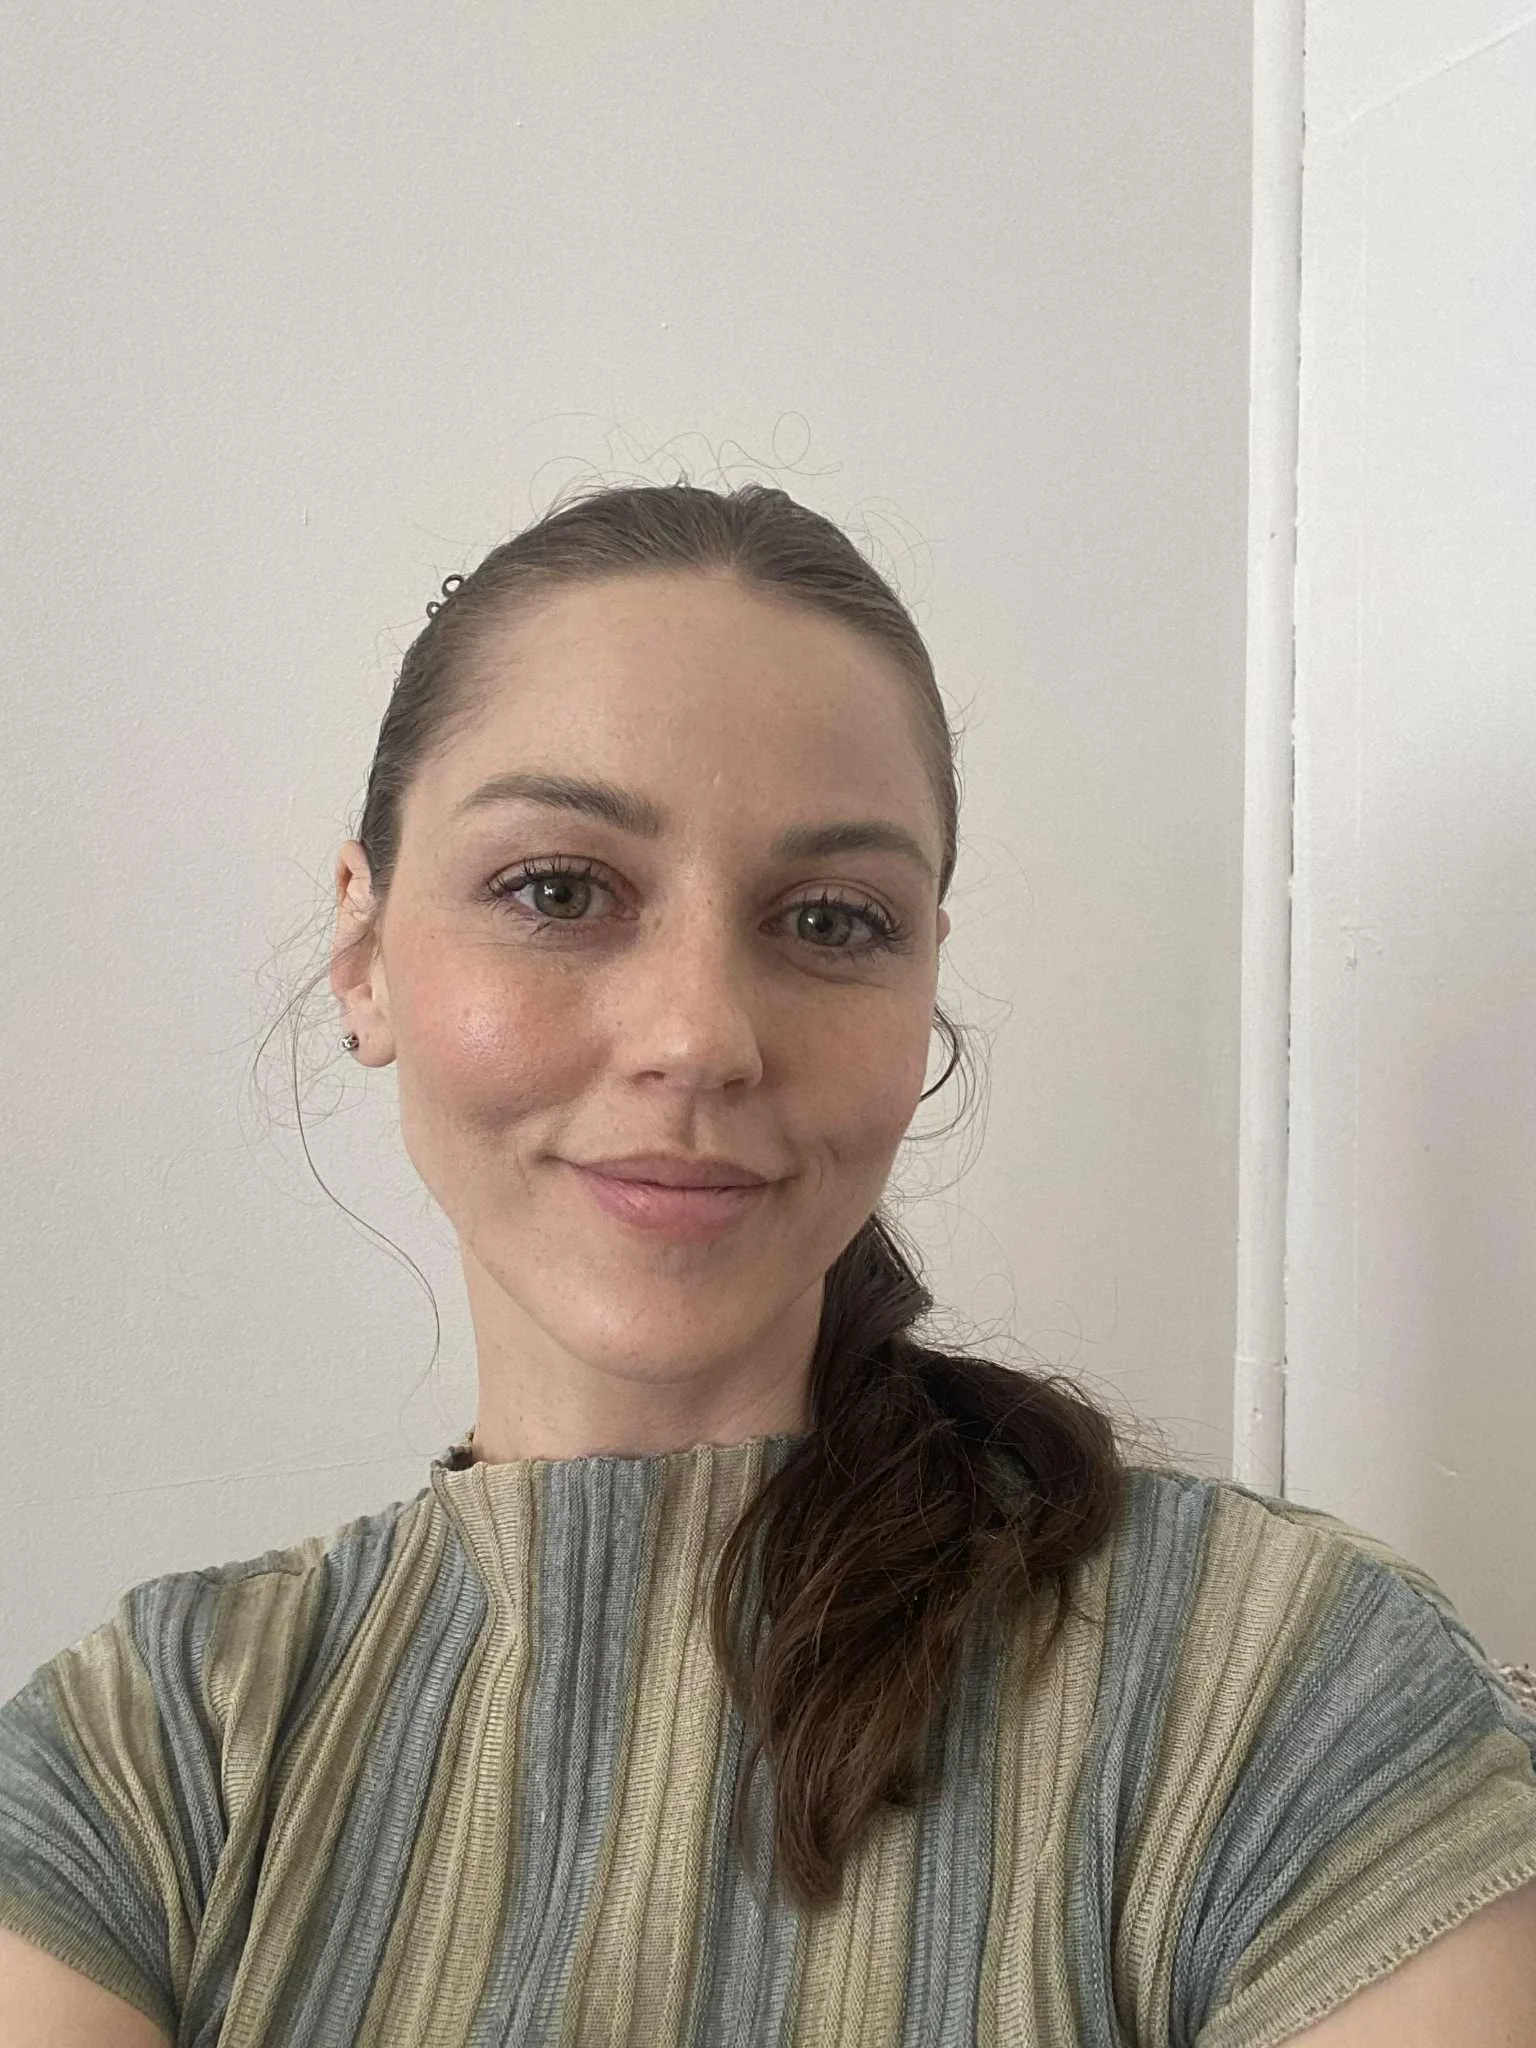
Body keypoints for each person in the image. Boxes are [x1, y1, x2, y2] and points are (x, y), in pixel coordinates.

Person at [1, 480, 1533, 2047]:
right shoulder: (150, 1756)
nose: (700, 1039)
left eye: (830, 919)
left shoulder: (1287, 1695)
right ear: (364, 949)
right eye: (559, 889)